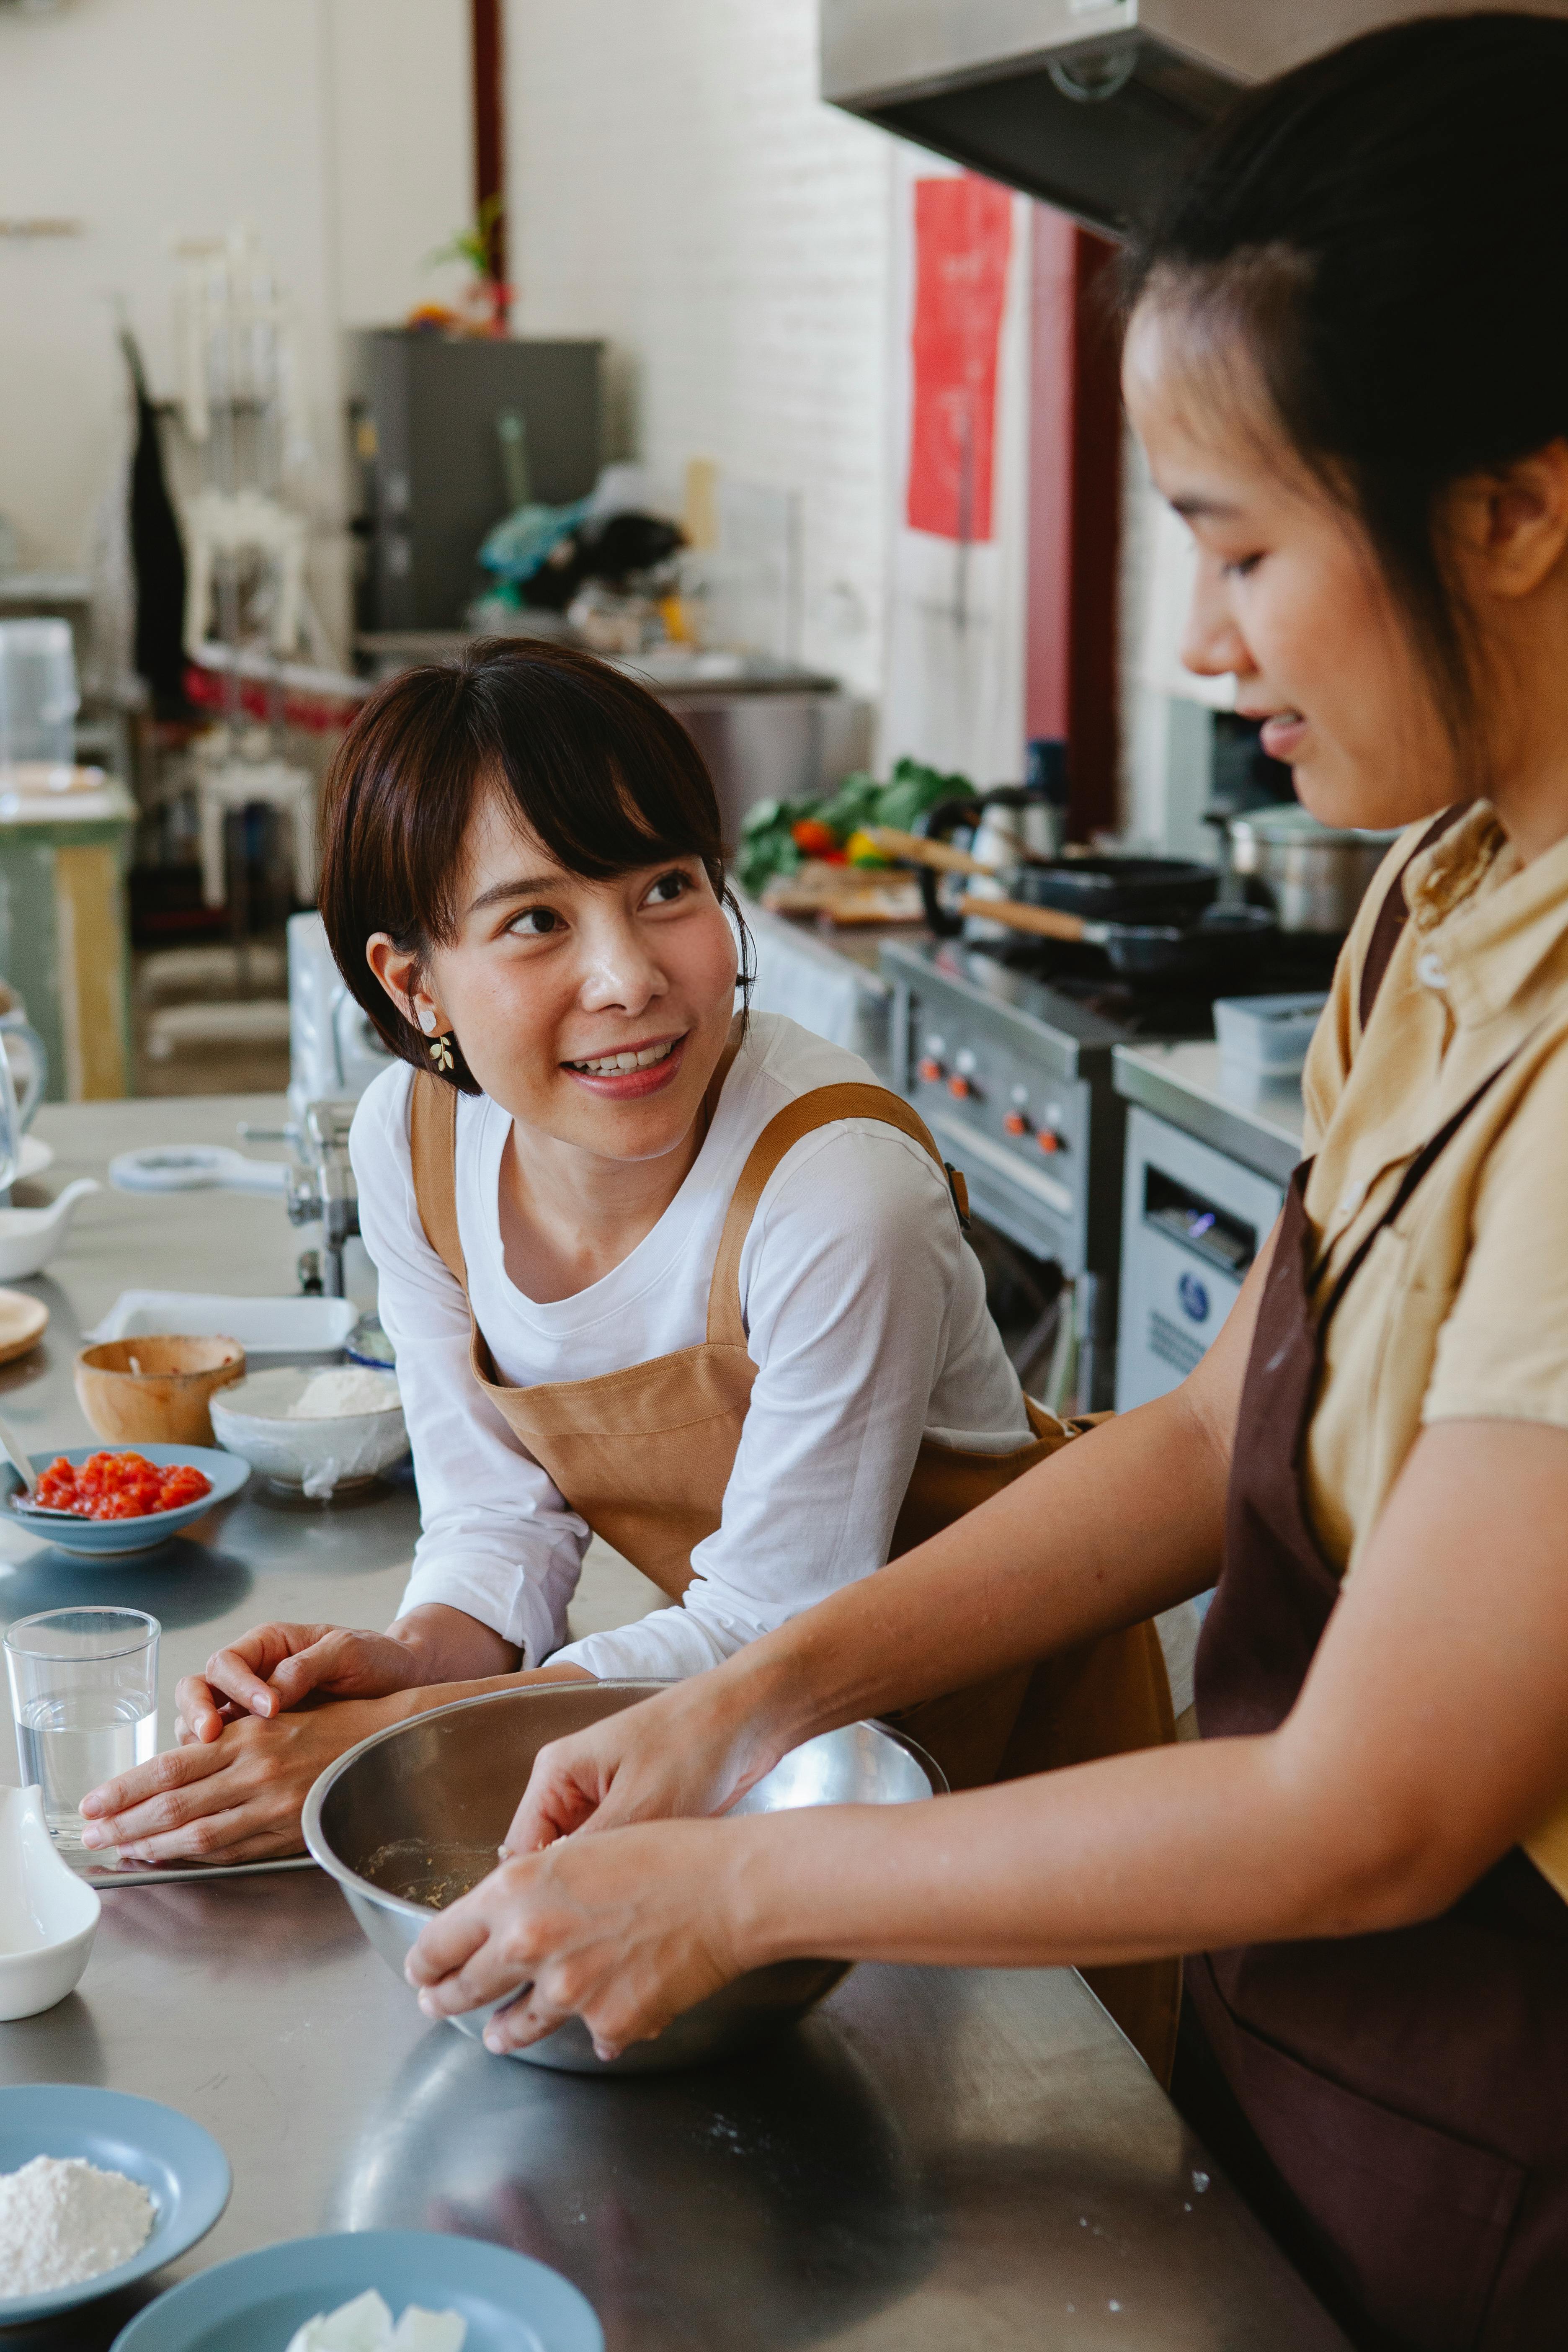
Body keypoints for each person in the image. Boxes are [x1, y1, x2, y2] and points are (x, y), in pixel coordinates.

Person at [395, 21, 1568, 2348]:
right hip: (1332, 2059)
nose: (1208, 650)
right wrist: (752, 1698)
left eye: (1242, 548)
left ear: (1517, 505)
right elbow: (1211, 1428)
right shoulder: (1448, 894)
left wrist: (744, 1890)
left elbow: (1377, 1804)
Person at [79, 638, 1173, 2055]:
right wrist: (415, 1660)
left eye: (665, 890)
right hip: (738, 1774)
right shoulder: (414, 1145)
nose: (629, 977)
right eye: (535, 922)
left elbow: (769, 1626)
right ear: (414, 985)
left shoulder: (835, 1188)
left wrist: (400, 1754)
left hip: (1007, 1783)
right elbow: (497, 1514)